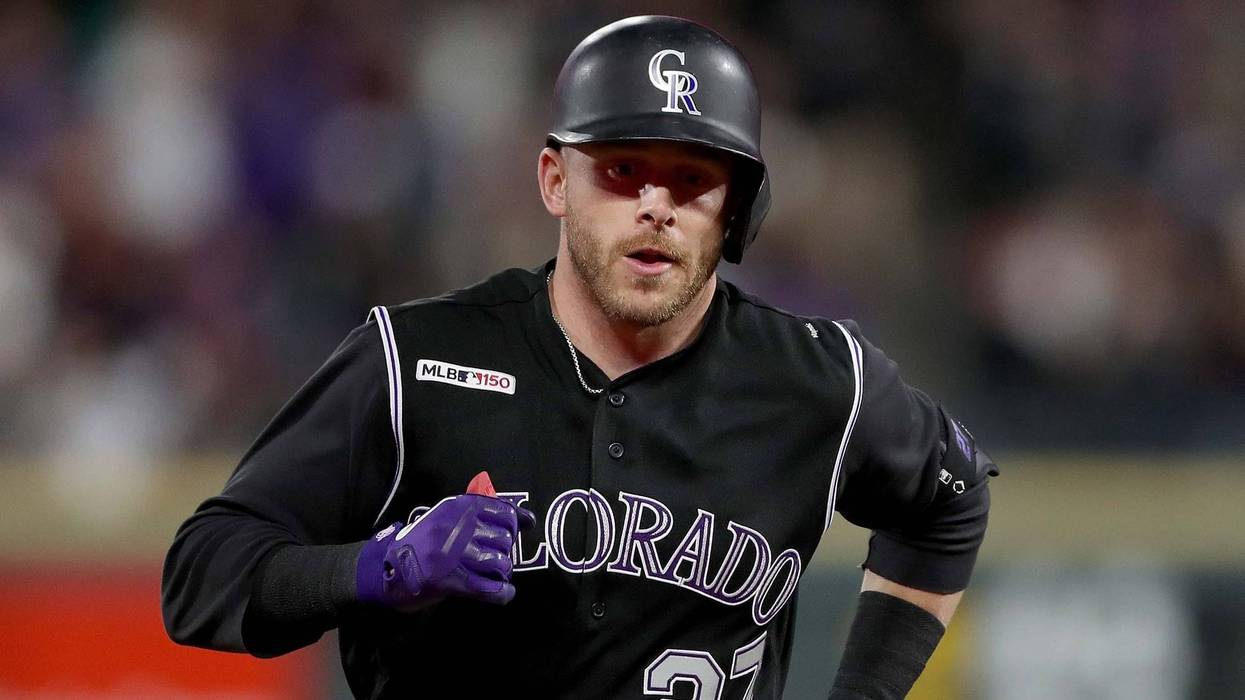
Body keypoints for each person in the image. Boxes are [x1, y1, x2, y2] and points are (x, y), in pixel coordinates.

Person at [162, 15, 997, 699]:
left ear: (736, 207)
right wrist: (379, 567)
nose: (655, 206)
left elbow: (948, 501)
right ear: (555, 181)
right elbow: (201, 577)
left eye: (692, 179)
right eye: (622, 170)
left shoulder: (818, 381)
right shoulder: (416, 360)